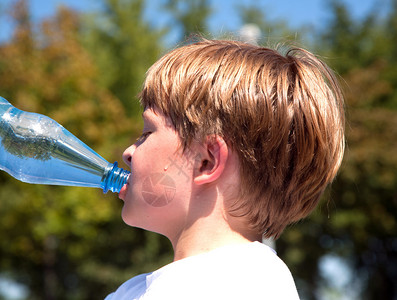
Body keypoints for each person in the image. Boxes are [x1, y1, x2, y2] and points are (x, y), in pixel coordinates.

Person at [105, 39, 345, 299]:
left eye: (147, 132)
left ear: (207, 161)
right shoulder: (145, 289)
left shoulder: (228, 287)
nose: (128, 153)